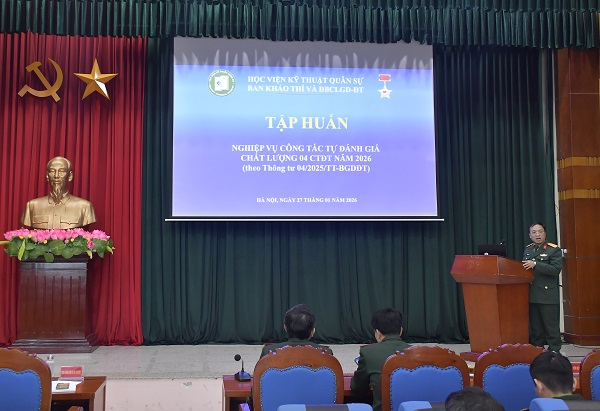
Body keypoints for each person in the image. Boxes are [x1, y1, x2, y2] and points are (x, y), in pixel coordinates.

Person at [350, 308, 411, 411]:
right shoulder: (418, 352)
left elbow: (357, 388)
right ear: (401, 331)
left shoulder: (369, 352)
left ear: (377, 332)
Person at [21, 156, 96, 229]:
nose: (56, 176)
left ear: (70, 176)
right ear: (47, 176)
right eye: (52, 171)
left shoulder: (84, 207)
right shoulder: (32, 206)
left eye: (61, 171)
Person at [522, 222, 563, 353]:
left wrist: (536, 264)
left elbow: (555, 270)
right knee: (536, 328)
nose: (537, 234)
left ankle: (555, 352)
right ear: (530, 235)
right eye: (534, 232)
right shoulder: (528, 249)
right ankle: (537, 352)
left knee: (551, 327)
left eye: (540, 231)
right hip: (531, 294)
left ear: (545, 234)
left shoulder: (553, 249)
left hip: (547, 295)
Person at [260, 303, 332, 358]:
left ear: (285, 328)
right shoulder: (326, 352)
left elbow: (261, 372)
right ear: (313, 331)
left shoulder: (268, 351)